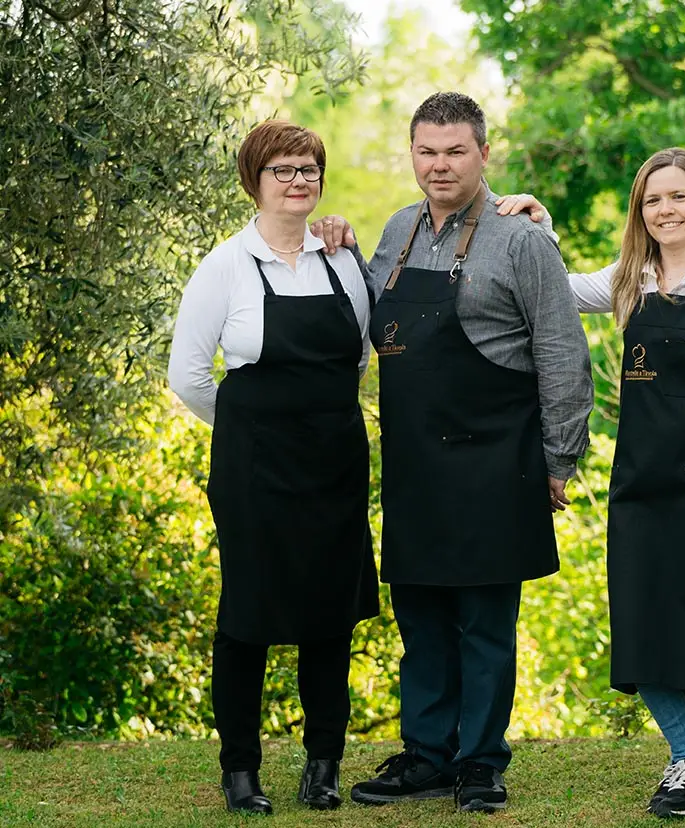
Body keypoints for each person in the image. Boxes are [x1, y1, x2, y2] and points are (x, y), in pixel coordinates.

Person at [311, 91, 593, 815]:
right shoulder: (397, 230)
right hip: (414, 463)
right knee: (422, 619)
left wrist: (560, 461)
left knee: (484, 624)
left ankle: (480, 763)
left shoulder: (523, 239)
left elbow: (563, 351)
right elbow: (363, 314)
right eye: (427, 151)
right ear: (411, 154)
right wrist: (335, 242)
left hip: (499, 463)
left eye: (455, 151)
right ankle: (427, 756)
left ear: (484, 154)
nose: (440, 165)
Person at [498, 147, 685, 818]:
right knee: (642, 626)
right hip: (640, 485)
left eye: (678, 196)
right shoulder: (631, 280)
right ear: (641, 211)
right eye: (653, 200)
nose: (665, 209)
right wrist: (541, 231)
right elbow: (559, 290)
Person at [167, 120, 379, 814]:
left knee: (329, 616)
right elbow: (189, 376)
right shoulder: (225, 264)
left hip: (335, 464)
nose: (299, 181)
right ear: (255, 181)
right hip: (255, 469)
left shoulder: (342, 259)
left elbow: (359, 357)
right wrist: (248, 431)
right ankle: (240, 773)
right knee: (248, 616)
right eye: (283, 170)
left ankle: (323, 767)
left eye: (309, 169)